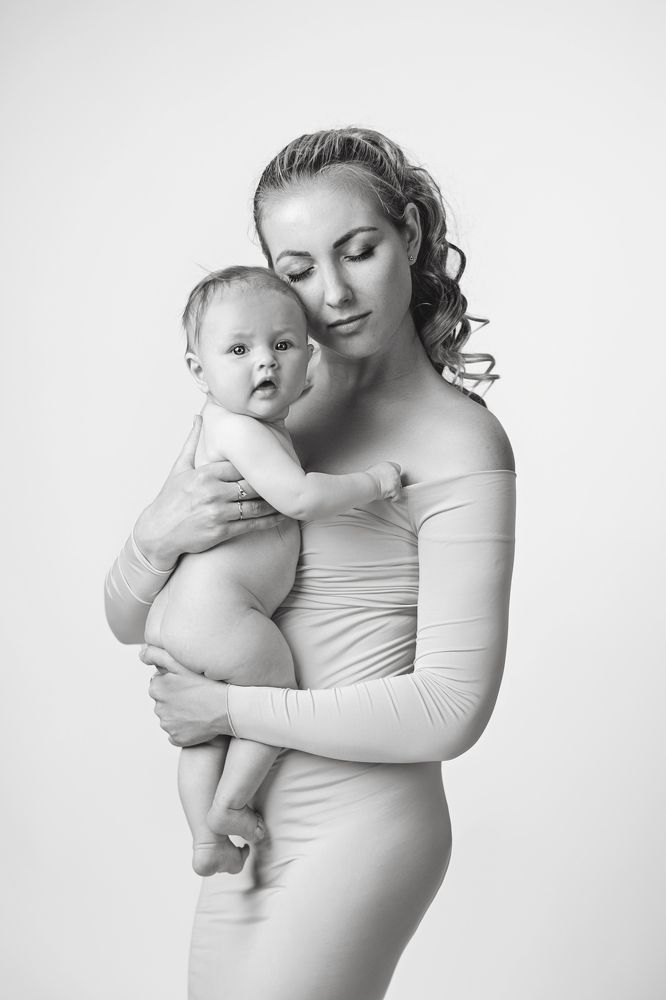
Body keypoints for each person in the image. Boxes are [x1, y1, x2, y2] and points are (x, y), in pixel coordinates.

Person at [105, 127, 516, 1000]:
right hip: (246, 826)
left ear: (409, 233)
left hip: (362, 829)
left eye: (358, 250)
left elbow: (450, 712)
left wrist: (227, 706)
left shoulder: (460, 444)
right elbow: (129, 618)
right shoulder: (263, 402)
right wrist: (154, 534)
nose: (332, 293)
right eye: (297, 269)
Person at [146, 264, 402, 878]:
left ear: (309, 360)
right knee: (273, 696)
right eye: (238, 350)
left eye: (282, 345)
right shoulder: (240, 431)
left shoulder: (236, 424)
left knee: (205, 736)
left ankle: (205, 841)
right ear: (198, 370)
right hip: (223, 617)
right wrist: (374, 481)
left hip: (181, 616)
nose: (264, 361)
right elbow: (301, 497)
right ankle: (231, 806)